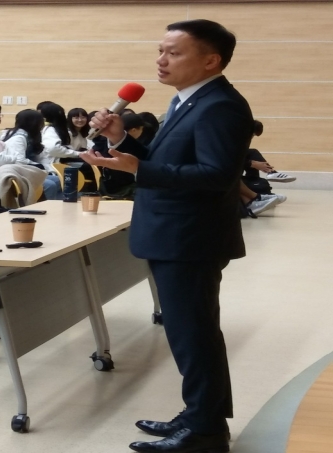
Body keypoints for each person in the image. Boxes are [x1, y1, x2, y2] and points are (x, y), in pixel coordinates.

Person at [81, 20, 253, 453]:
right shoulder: (188, 100)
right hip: (176, 234)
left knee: (194, 334)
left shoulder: (221, 106)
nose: (161, 60)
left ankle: (206, 431)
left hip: (190, 238)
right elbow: (166, 160)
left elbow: (215, 176)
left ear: (210, 60)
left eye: (174, 53)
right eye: (160, 50)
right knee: (189, 332)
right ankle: (199, 415)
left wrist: (138, 168)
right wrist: (122, 140)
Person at [1, 110, 62, 199]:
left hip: (28, 170)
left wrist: (48, 170)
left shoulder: (30, 136)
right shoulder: (18, 138)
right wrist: (38, 166)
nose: (43, 125)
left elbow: (40, 158)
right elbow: (19, 161)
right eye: (41, 121)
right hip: (17, 172)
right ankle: (45, 206)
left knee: (59, 180)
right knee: (50, 185)